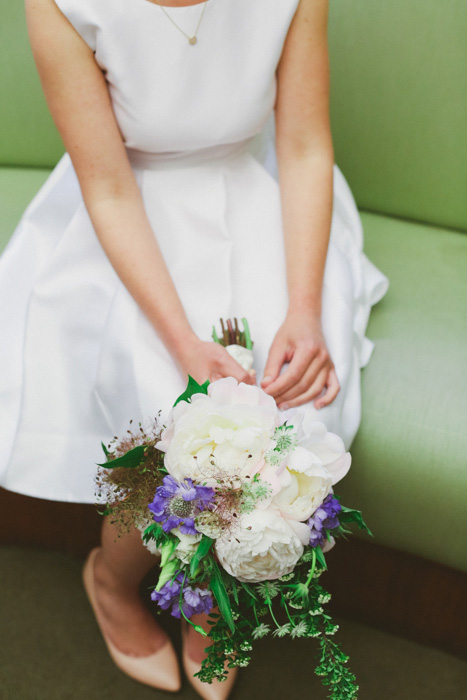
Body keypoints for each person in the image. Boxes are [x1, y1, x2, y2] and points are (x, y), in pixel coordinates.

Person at [0, 0, 389, 698]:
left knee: (286, 398)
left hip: (258, 203)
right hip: (129, 214)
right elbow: (108, 187)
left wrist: (303, 311)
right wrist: (181, 341)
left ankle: (207, 597)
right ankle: (112, 579)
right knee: (159, 409)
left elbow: (302, 146)